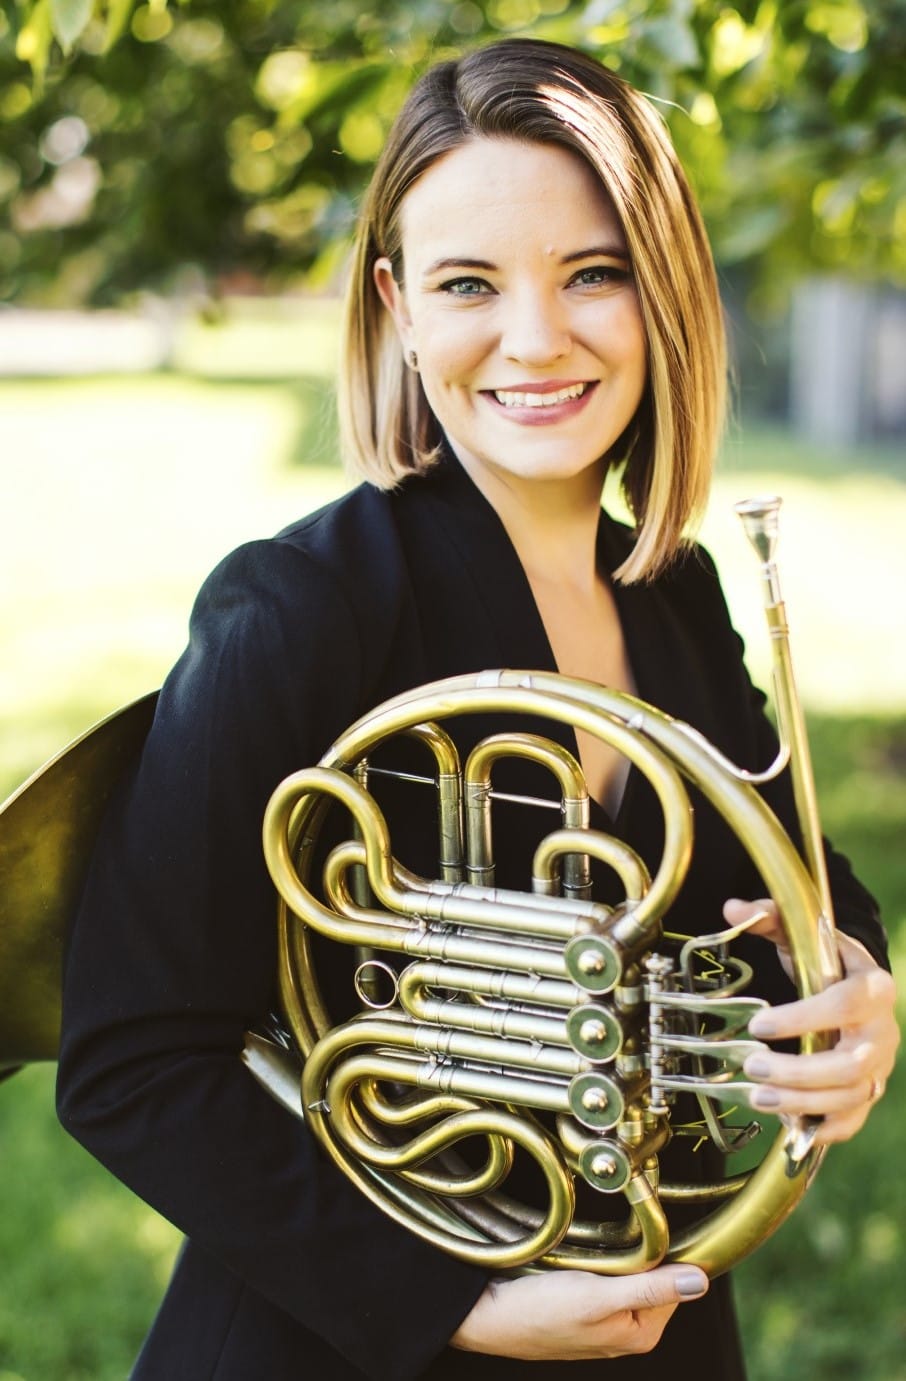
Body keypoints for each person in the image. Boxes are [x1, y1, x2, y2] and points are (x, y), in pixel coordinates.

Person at [56, 37, 898, 1381]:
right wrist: (452, 1298)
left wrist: (852, 983)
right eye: (467, 284)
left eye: (592, 274)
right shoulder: (299, 606)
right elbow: (131, 1062)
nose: (533, 338)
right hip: (337, 1333)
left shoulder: (668, 588)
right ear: (395, 304)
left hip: (645, 1305)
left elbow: (786, 873)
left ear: (664, 290)